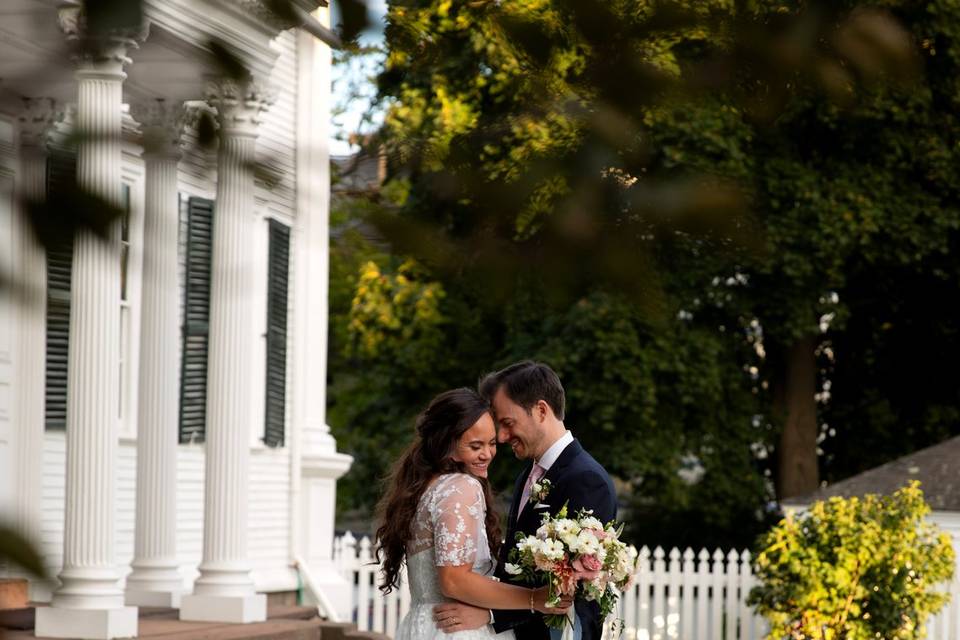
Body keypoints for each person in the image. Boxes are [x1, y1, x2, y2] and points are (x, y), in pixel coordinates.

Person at [433, 362, 617, 640]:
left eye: (508, 423)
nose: (503, 437)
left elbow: (579, 586)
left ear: (541, 410)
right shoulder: (528, 475)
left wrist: (492, 615)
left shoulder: (586, 479)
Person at [375, 387, 573, 640]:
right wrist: (534, 599)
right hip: (457, 631)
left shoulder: (424, 487)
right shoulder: (461, 487)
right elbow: (454, 580)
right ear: (447, 444)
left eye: (491, 444)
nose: (487, 454)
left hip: (423, 625)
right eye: (475, 445)